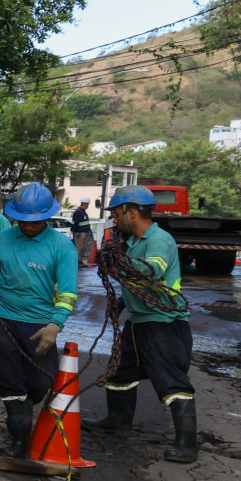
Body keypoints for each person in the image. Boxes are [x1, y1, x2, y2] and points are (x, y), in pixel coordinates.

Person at [84, 184, 197, 462]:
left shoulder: (159, 240)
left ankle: (187, 445)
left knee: (172, 382)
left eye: (117, 214)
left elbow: (152, 270)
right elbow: (136, 282)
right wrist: (123, 302)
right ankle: (118, 422)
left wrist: (118, 263)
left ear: (131, 212)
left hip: (163, 324)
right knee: (119, 372)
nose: (114, 219)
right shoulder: (133, 241)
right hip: (140, 321)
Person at [0, 183, 80, 456]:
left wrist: (55, 324)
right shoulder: (3, 238)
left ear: (47, 217)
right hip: (2, 319)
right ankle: (19, 441)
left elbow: (68, 291)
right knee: (9, 380)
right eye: (23, 221)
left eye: (35, 221)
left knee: (40, 382)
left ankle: (24, 415)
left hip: (40, 325)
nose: (28, 226)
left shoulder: (63, 247)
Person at [70, 198, 93, 267]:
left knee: (83, 247)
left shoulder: (83, 212)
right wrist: (76, 231)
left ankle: (80, 260)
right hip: (81, 232)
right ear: (86, 204)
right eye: (88, 204)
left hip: (85, 231)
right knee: (79, 247)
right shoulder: (78, 212)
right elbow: (75, 222)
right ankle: (76, 261)